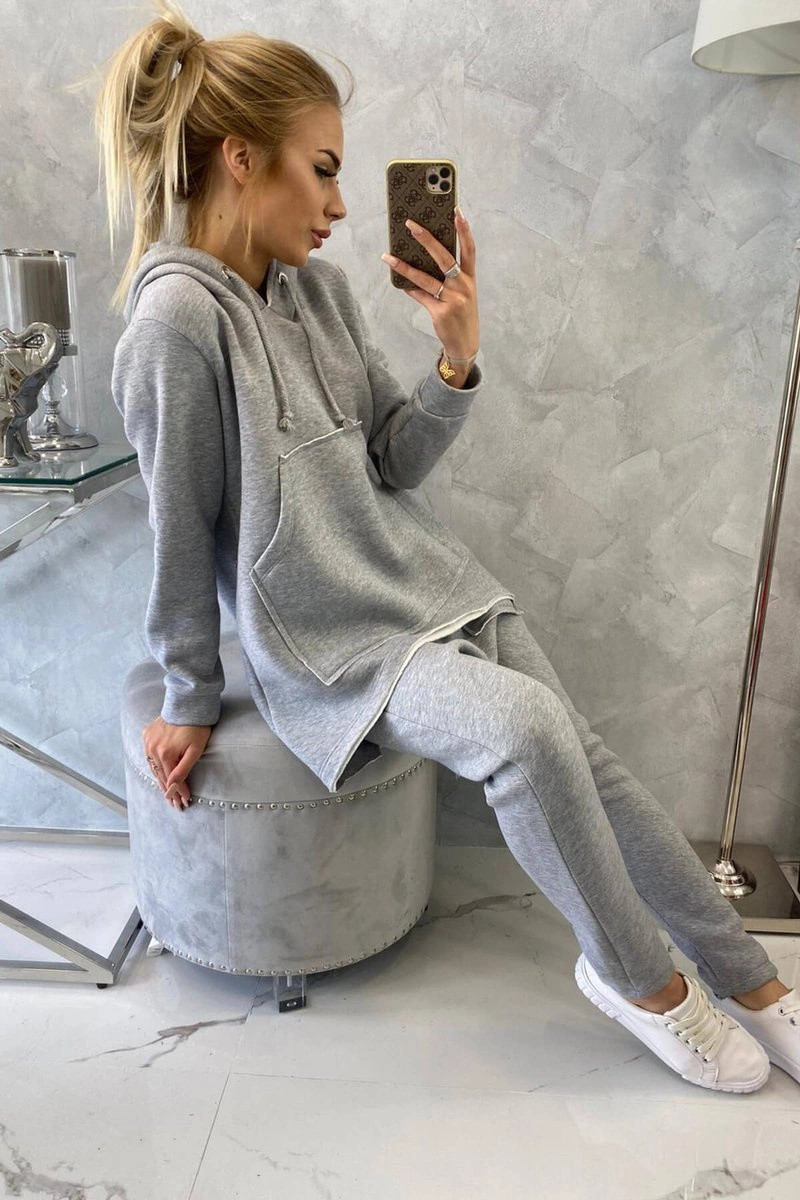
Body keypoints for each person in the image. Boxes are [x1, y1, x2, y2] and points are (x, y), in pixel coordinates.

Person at [95, 1, 799, 1093]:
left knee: (588, 760)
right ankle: (640, 982)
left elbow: (394, 457)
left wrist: (453, 359)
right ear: (239, 158)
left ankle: (752, 982)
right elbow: (176, 529)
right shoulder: (176, 326)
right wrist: (188, 693)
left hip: (430, 586)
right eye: (322, 171)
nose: (339, 205)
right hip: (342, 643)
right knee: (526, 733)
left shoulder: (320, 293)